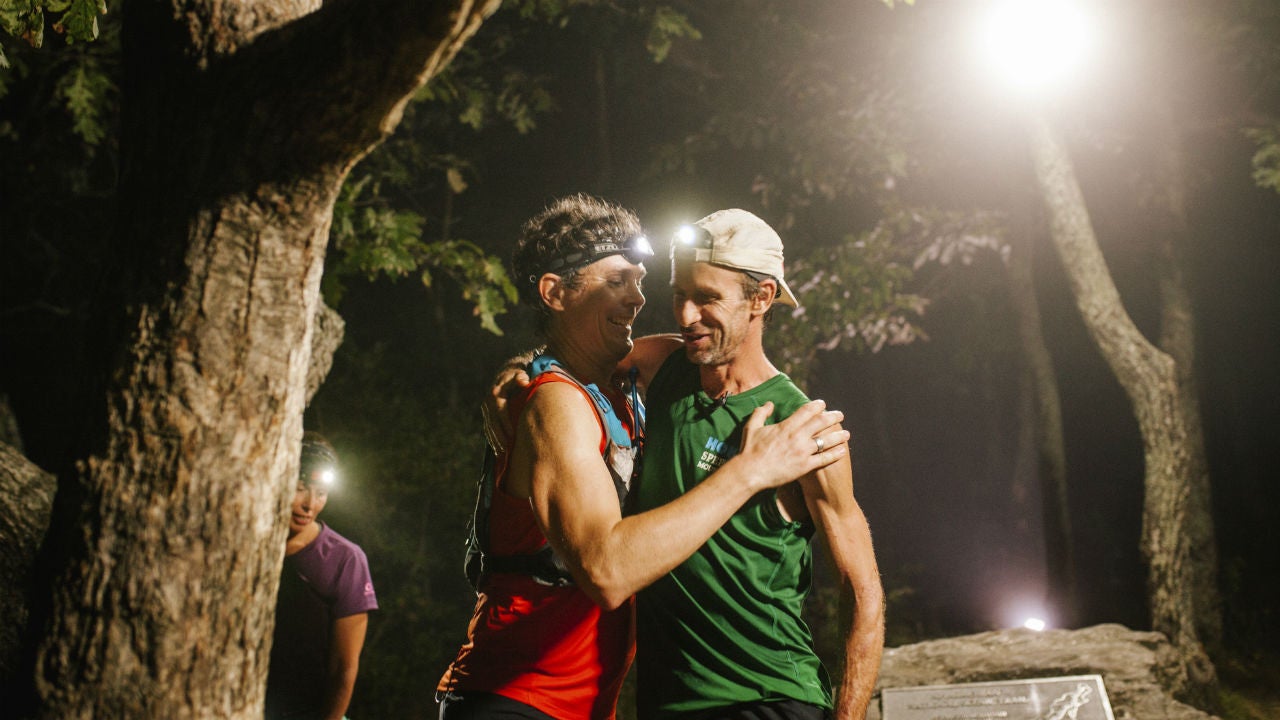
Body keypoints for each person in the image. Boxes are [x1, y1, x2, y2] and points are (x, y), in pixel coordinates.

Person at [436, 194, 850, 720]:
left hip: (581, 705)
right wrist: (748, 472)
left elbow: (714, 354)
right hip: (516, 699)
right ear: (555, 293)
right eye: (616, 281)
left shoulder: (626, 384)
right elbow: (605, 571)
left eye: (637, 279)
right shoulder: (556, 400)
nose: (638, 297)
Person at [266, 432, 378, 720]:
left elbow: (344, 666)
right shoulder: (250, 545)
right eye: (301, 488)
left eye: (321, 493)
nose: (310, 504)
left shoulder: (345, 559)